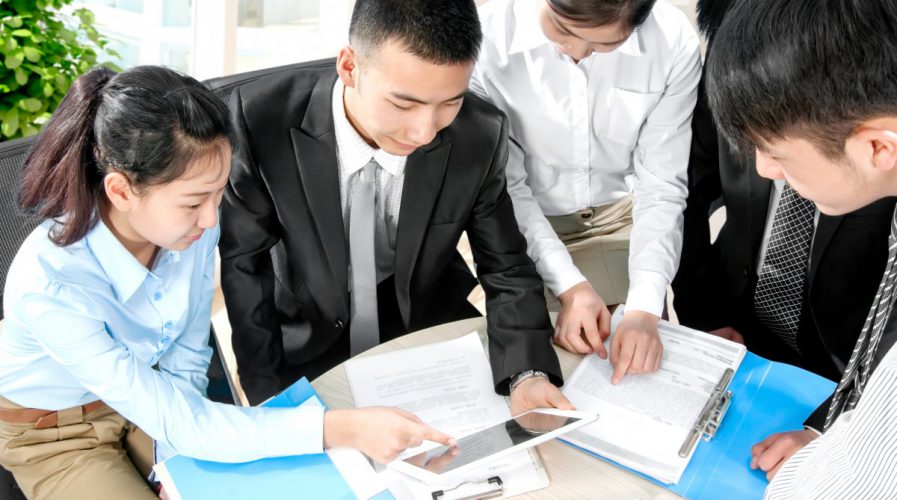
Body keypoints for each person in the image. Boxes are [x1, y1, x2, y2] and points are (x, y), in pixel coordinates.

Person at [0, 66, 454, 500]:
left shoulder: (191, 229)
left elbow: (188, 356)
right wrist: (344, 426)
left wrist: (180, 459)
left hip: (150, 398)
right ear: (120, 190)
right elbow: (188, 424)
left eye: (218, 193)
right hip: (56, 434)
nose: (212, 219)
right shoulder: (50, 284)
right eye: (195, 201)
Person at [219, 0, 570, 416]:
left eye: (450, 103)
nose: (424, 131)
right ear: (349, 67)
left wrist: (527, 373)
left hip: (426, 325)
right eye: (404, 105)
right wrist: (268, 401)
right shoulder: (257, 120)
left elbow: (507, 265)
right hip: (305, 330)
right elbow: (246, 268)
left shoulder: (479, 132)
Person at [672, 0, 897, 454]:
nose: (763, 168)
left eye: (776, 153)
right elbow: (687, 196)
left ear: (878, 148)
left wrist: (827, 432)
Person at [470, 0, 701, 383]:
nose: (575, 51)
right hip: (531, 222)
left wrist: (645, 306)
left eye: (602, 46)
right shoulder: (486, 38)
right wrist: (569, 285)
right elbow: (507, 187)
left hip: (622, 217)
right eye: (561, 30)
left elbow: (661, 186)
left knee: (638, 363)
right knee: (543, 366)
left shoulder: (672, 39)